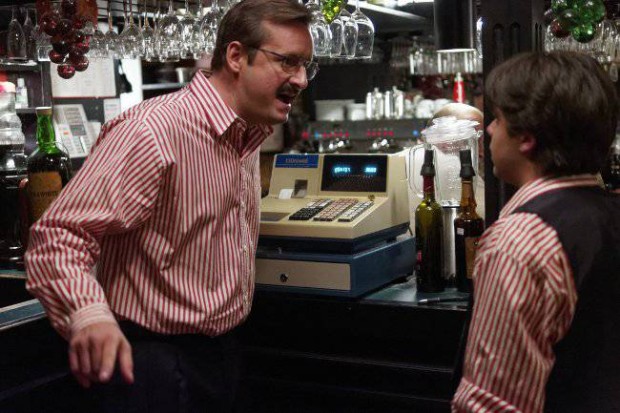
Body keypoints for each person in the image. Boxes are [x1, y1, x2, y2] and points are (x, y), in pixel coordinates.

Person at [24, 0, 315, 411]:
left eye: (307, 66)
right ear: (235, 56)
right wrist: (89, 316)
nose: (301, 79)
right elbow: (59, 236)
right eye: (288, 61)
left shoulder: (245, 133)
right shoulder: (152, 131)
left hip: (219, 355)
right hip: (149, 365)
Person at [452, 51, 620, 412]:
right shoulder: (610, 213)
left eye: (496, 119)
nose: (489, 130)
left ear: (526, 138)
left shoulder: (519, 240)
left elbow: (493, 404)